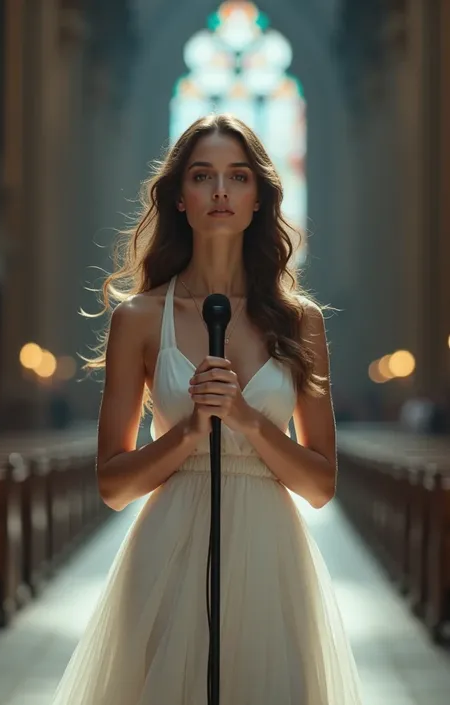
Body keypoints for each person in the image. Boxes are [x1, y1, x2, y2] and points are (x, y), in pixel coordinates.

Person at [52, 114, 363, 704]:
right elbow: (114, 486)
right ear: (178, 199)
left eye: (238, 176)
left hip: (272, 560)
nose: (221, 191)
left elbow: (321, 485)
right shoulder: (139, 319)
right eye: (203, 176)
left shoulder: (302, 323)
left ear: (259, 199)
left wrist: (245, 419)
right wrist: (192, 431)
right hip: (167, 554)